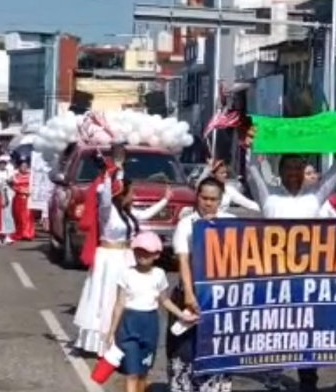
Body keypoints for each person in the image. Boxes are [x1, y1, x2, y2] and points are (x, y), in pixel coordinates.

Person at [242, 125, 336, 392]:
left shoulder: (314, 199)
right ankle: (273, 381)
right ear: (280, 173)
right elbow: (252, 171)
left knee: (307, 335)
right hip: (274, 279)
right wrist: (250, 145)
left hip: (307, 281)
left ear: (304, 174)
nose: (293, 173)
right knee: (273, 335)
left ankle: (308, 383)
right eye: (288, 167)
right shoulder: (268, 197)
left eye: (297, 168)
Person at [73, 154, 172, 355]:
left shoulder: (128, 213)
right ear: (121, 193)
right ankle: (102, 343)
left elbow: (145, 215)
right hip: (108, 260)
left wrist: (164, 200)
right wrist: (109, 174)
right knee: (107, 299)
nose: (133, 196)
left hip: (125, 257)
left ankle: (120, 337)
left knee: (124, 298)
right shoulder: (107, 212)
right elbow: (105, 197)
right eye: (131, 193)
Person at [167, 177, 235, 392]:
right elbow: (183, 260)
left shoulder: (230, 222)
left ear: (221, 200)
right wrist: (188, 293)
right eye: (204, 198)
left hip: (221, 300)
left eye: (213, 199)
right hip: (191, 296)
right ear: (197, 197)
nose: (208, 203)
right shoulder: (186, 224)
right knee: (184, 353)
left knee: (217, 352)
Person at [107, 231, 197, 392]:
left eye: (147, 252)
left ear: (156, 255)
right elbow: (119, 303)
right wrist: (111, 331)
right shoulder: (126, 273)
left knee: (143, 372)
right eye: (138, 251)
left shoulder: (159, 274)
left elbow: (164, 300)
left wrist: (182, 315)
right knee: (131, 372)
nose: (142, 255)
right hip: (129, 325)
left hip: (149, 325)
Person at [194, 158, 259, 212]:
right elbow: (198, 186)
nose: (225, 175)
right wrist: (208, 169)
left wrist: (263, 209)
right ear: (214, 175)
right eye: (221, 173)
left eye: (225, 173)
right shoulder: (206, 188)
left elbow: (248, 203)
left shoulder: (229, 190)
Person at [12, 155, 35, 241]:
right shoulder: (16, 176)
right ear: (19, 167)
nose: (24, 168)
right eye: (22, 166)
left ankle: (28, 234)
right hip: (19, 198)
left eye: (26, 166)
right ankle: (20, 233)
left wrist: (30, 191)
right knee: (19, 217)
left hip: (28, 199)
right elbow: (14, 186)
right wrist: (22, 190)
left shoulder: (31, 176)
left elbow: (34, 186)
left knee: (28, 217)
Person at [0, 154, 17, 245]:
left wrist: (10, 181)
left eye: (4, 163)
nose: (2, 165)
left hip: (8, 194)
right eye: (1, 163)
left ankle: (7, 235)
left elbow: (13, 183)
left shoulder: (9, 172)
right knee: (0, 215)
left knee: (8, 214)